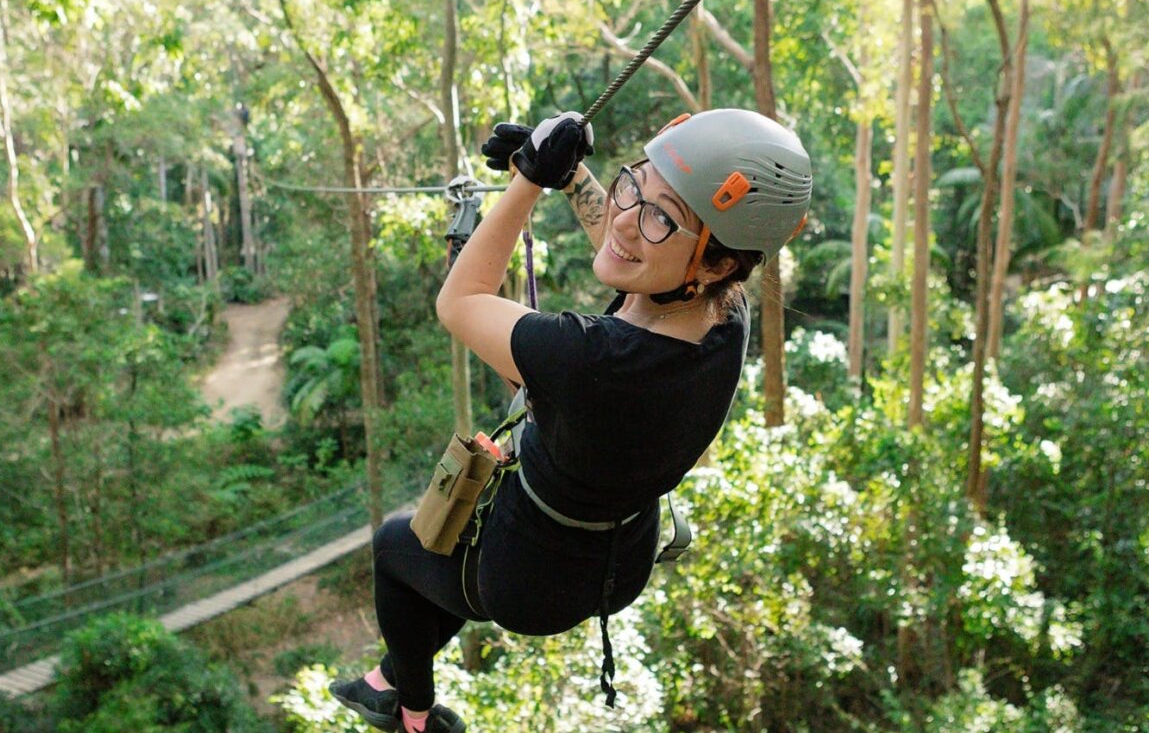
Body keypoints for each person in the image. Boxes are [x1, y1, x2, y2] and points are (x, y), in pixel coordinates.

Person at [329, 109, 812, 733]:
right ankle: (388, 677)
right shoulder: (725, 314)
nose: (626, 220)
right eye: (635, 183)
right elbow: (634, 258)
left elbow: (459, 301)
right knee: (439, 569)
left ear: (717, 264)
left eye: (663, 216)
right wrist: (570, 176)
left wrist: (527, 180)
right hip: (618, 554)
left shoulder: (592, 360)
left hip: (529, 577)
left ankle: (411, 715)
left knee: (397, 550)